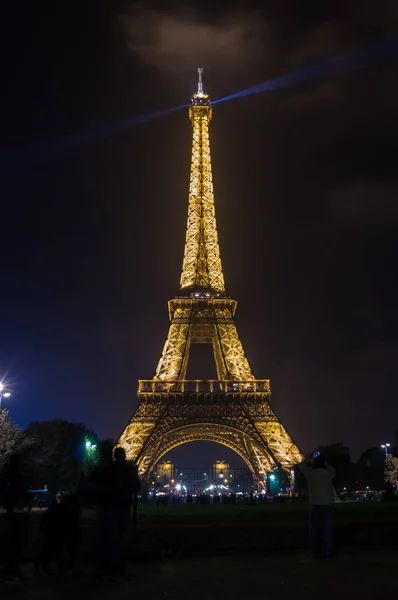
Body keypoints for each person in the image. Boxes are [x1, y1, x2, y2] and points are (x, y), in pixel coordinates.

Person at [97, 446, 141, 578]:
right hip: (122, 506)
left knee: (110, 537)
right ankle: (119, 566)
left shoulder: (107, 470)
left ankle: (109, 567)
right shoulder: (129, 470)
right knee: (121, 538)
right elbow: (137, 486)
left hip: (111, 507)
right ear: (124, 456)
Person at [299, 452, 336, 558]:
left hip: (315, 504)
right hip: (328, 504)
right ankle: (328, 552)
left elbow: (301, 466)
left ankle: (313, 552)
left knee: (314, 530)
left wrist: (309, 458)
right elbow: (333, 469)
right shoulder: (329, 473)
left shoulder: (310, 473)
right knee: (328, 530)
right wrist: (325, 461)